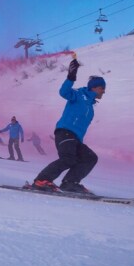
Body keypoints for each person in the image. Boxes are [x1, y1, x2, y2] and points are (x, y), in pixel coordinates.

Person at [32, 56, 106, 193]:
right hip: (64, 132)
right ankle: (41, 181)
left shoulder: (90, 105)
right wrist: (71, 77)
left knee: (90, 158)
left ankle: (70, 182)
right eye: (102, 88)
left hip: (75, 139)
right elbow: (64, 92)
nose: (104, 91)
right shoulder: (79, 94)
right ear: (94, 87)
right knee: (68, 159)